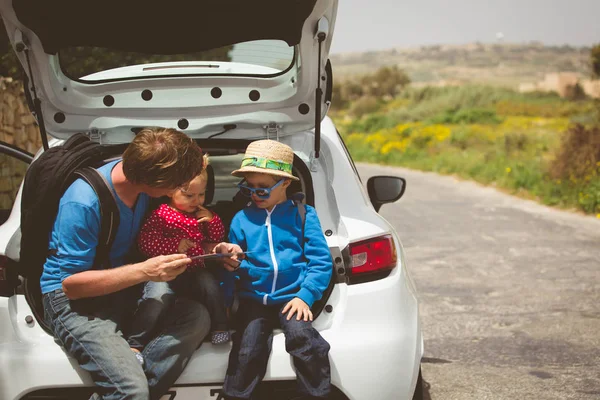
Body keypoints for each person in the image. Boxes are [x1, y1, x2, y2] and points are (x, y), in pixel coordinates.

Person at [40, 127, 237, 400]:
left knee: (196, 317)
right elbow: (71, 286)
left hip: (122, 288)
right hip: (73, 302)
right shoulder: (83, 202)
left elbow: (179, 240)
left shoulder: (144, 190)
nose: (176, 192)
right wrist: (145, 270)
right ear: (157, 181)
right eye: (177, 185)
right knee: (131, 390)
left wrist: (214, 249)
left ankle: (129, 383)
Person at [221, 140, 333, 400]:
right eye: (249, 188)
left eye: (262, 189)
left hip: (293, 296)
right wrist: (228, 296)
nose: (254, 194)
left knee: (305, 342)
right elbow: (232, 268)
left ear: (285, 183)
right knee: (247, 350)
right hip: (254, 299)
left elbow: (321, 261)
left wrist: (305, 295)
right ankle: (234, 395)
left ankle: (316, 394)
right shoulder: (241, 219)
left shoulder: (303, 215)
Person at [128, 154, 231, 354]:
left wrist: (212, 219)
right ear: (170, 191)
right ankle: (135, 343)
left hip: (193, 271)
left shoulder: (202, 213)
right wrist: (176, 245)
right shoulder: (160, 215)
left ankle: (221, 326)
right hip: (163, 271)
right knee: (156, 298)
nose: (196, 200)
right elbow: (146, 243)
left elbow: (217, 236)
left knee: (210, 285)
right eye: (189, 195)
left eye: (201, 194)